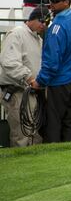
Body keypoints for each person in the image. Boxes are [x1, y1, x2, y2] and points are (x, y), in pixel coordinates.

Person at [31, 0, 71, 143]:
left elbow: (52, 62)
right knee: (70, 122)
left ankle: (53, 157)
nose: (50, 4)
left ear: (66, 2)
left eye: (54, 1)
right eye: (50, 0)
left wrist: (40, 81)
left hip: (59, 83)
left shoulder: (56, 27)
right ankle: (70, 156)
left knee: (53, 124)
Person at [0, 8, 47, 146]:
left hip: (30, 91)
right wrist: (30, 78)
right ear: (32, 19)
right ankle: (21, 163)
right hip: (17, 91)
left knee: (33, 133)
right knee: (22, 134)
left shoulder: (37, 38)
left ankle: (34, 165)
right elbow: (9, 62)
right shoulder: (17, 33)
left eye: (46, 23)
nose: (43, 25)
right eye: (42, 21)